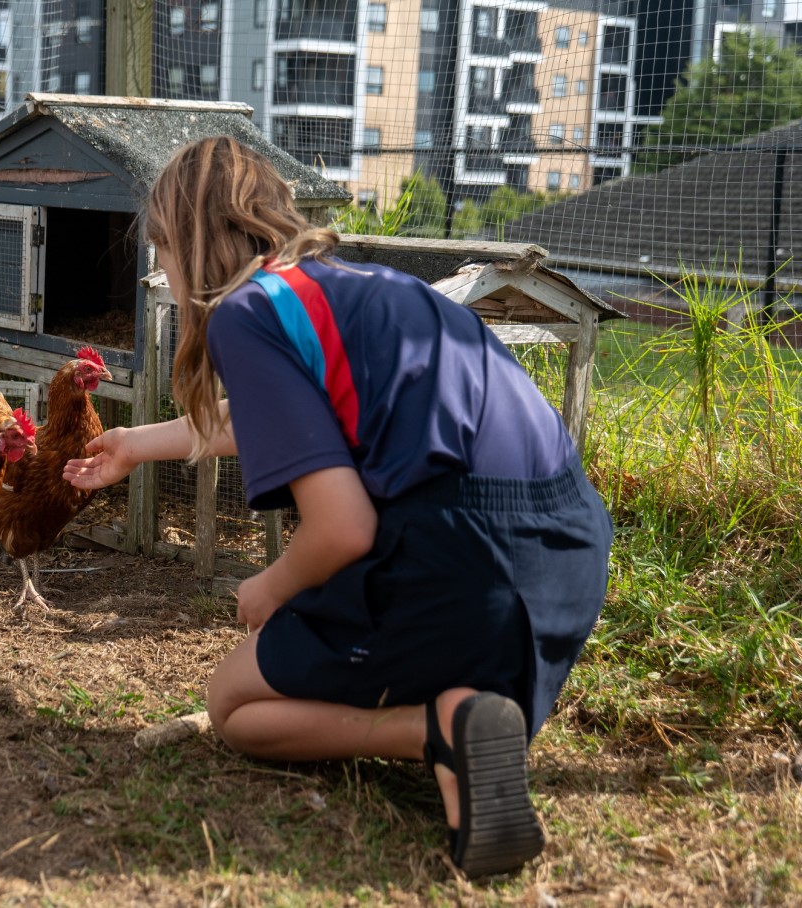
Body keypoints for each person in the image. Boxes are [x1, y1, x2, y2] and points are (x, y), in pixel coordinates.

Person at [62, 136, 613, 879]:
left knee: (234, 707)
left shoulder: (244, 312)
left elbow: (343, 527)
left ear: (195, 239)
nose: (160, 269)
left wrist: (271, 586)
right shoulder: (357, 288)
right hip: (563, 565)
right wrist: (135, 444)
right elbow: (288, 421)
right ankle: (470, 738)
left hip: (465, 558)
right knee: (403, 630)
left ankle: (440, 729)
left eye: (162, 247)